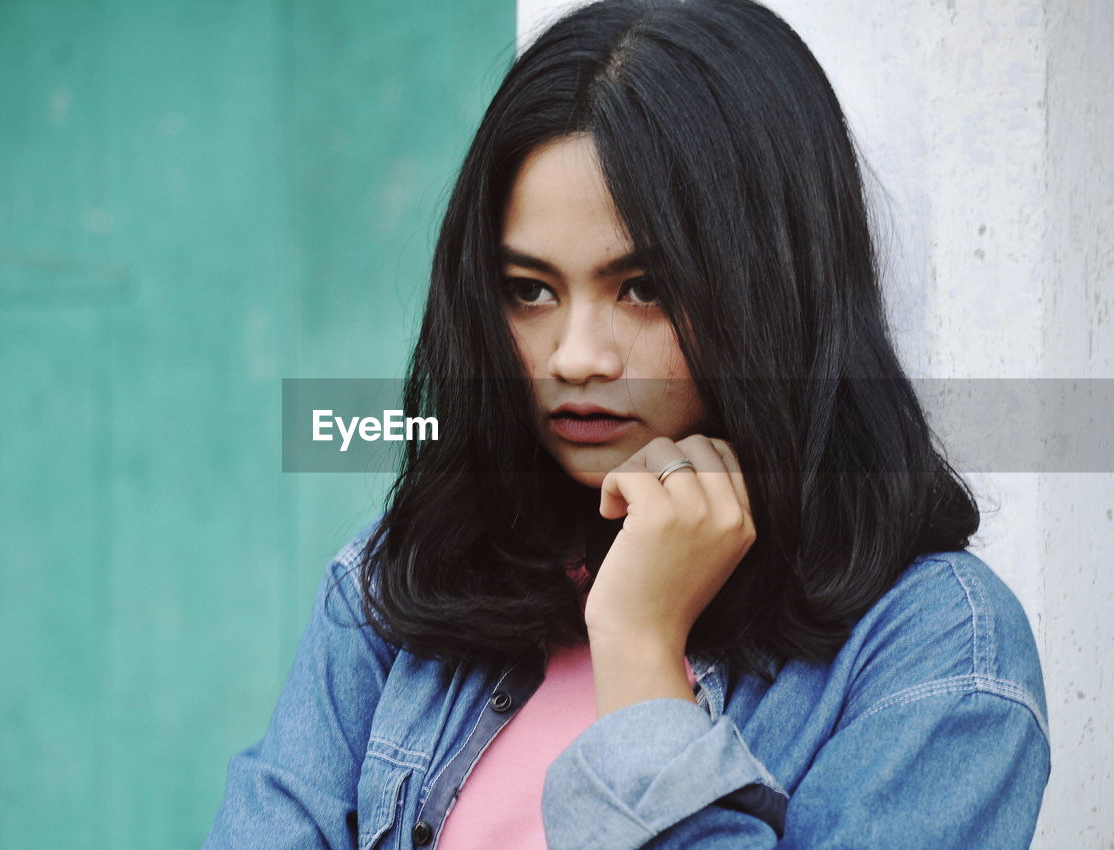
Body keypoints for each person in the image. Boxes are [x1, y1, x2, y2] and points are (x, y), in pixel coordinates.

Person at [201, 0, 1051, 847]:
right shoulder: (403, 584)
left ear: (773, 286)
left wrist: (641, 649)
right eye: (530, 290)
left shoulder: (939, 652)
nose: (575, 357)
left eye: (641, 287)